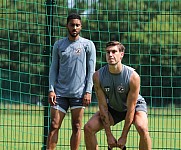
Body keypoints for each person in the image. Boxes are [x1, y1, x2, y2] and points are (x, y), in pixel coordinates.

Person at [84, 41, 152, 150]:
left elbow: (131, 108)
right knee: (88, 128)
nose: (110, 55)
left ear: (121, 54)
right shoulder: (97, 76)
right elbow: (103, 106)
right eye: (108, 52)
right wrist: (109, 136)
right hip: (113, 107)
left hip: (134, 106)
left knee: (142, 128)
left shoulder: (133, 77)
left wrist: (123, 137)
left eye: (114, 51)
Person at [46, 13, 96, 150]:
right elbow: (53, 69)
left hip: (79, 94)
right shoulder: (58, 44)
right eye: (72, 25)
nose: (75, 27)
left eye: (77, 25)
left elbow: (91, 70)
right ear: (67, 25)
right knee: (54, 125)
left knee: (77, 126)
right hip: (60, 93)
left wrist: (88, 91)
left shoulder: (88, 45)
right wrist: (51, 89)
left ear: (81, 26)